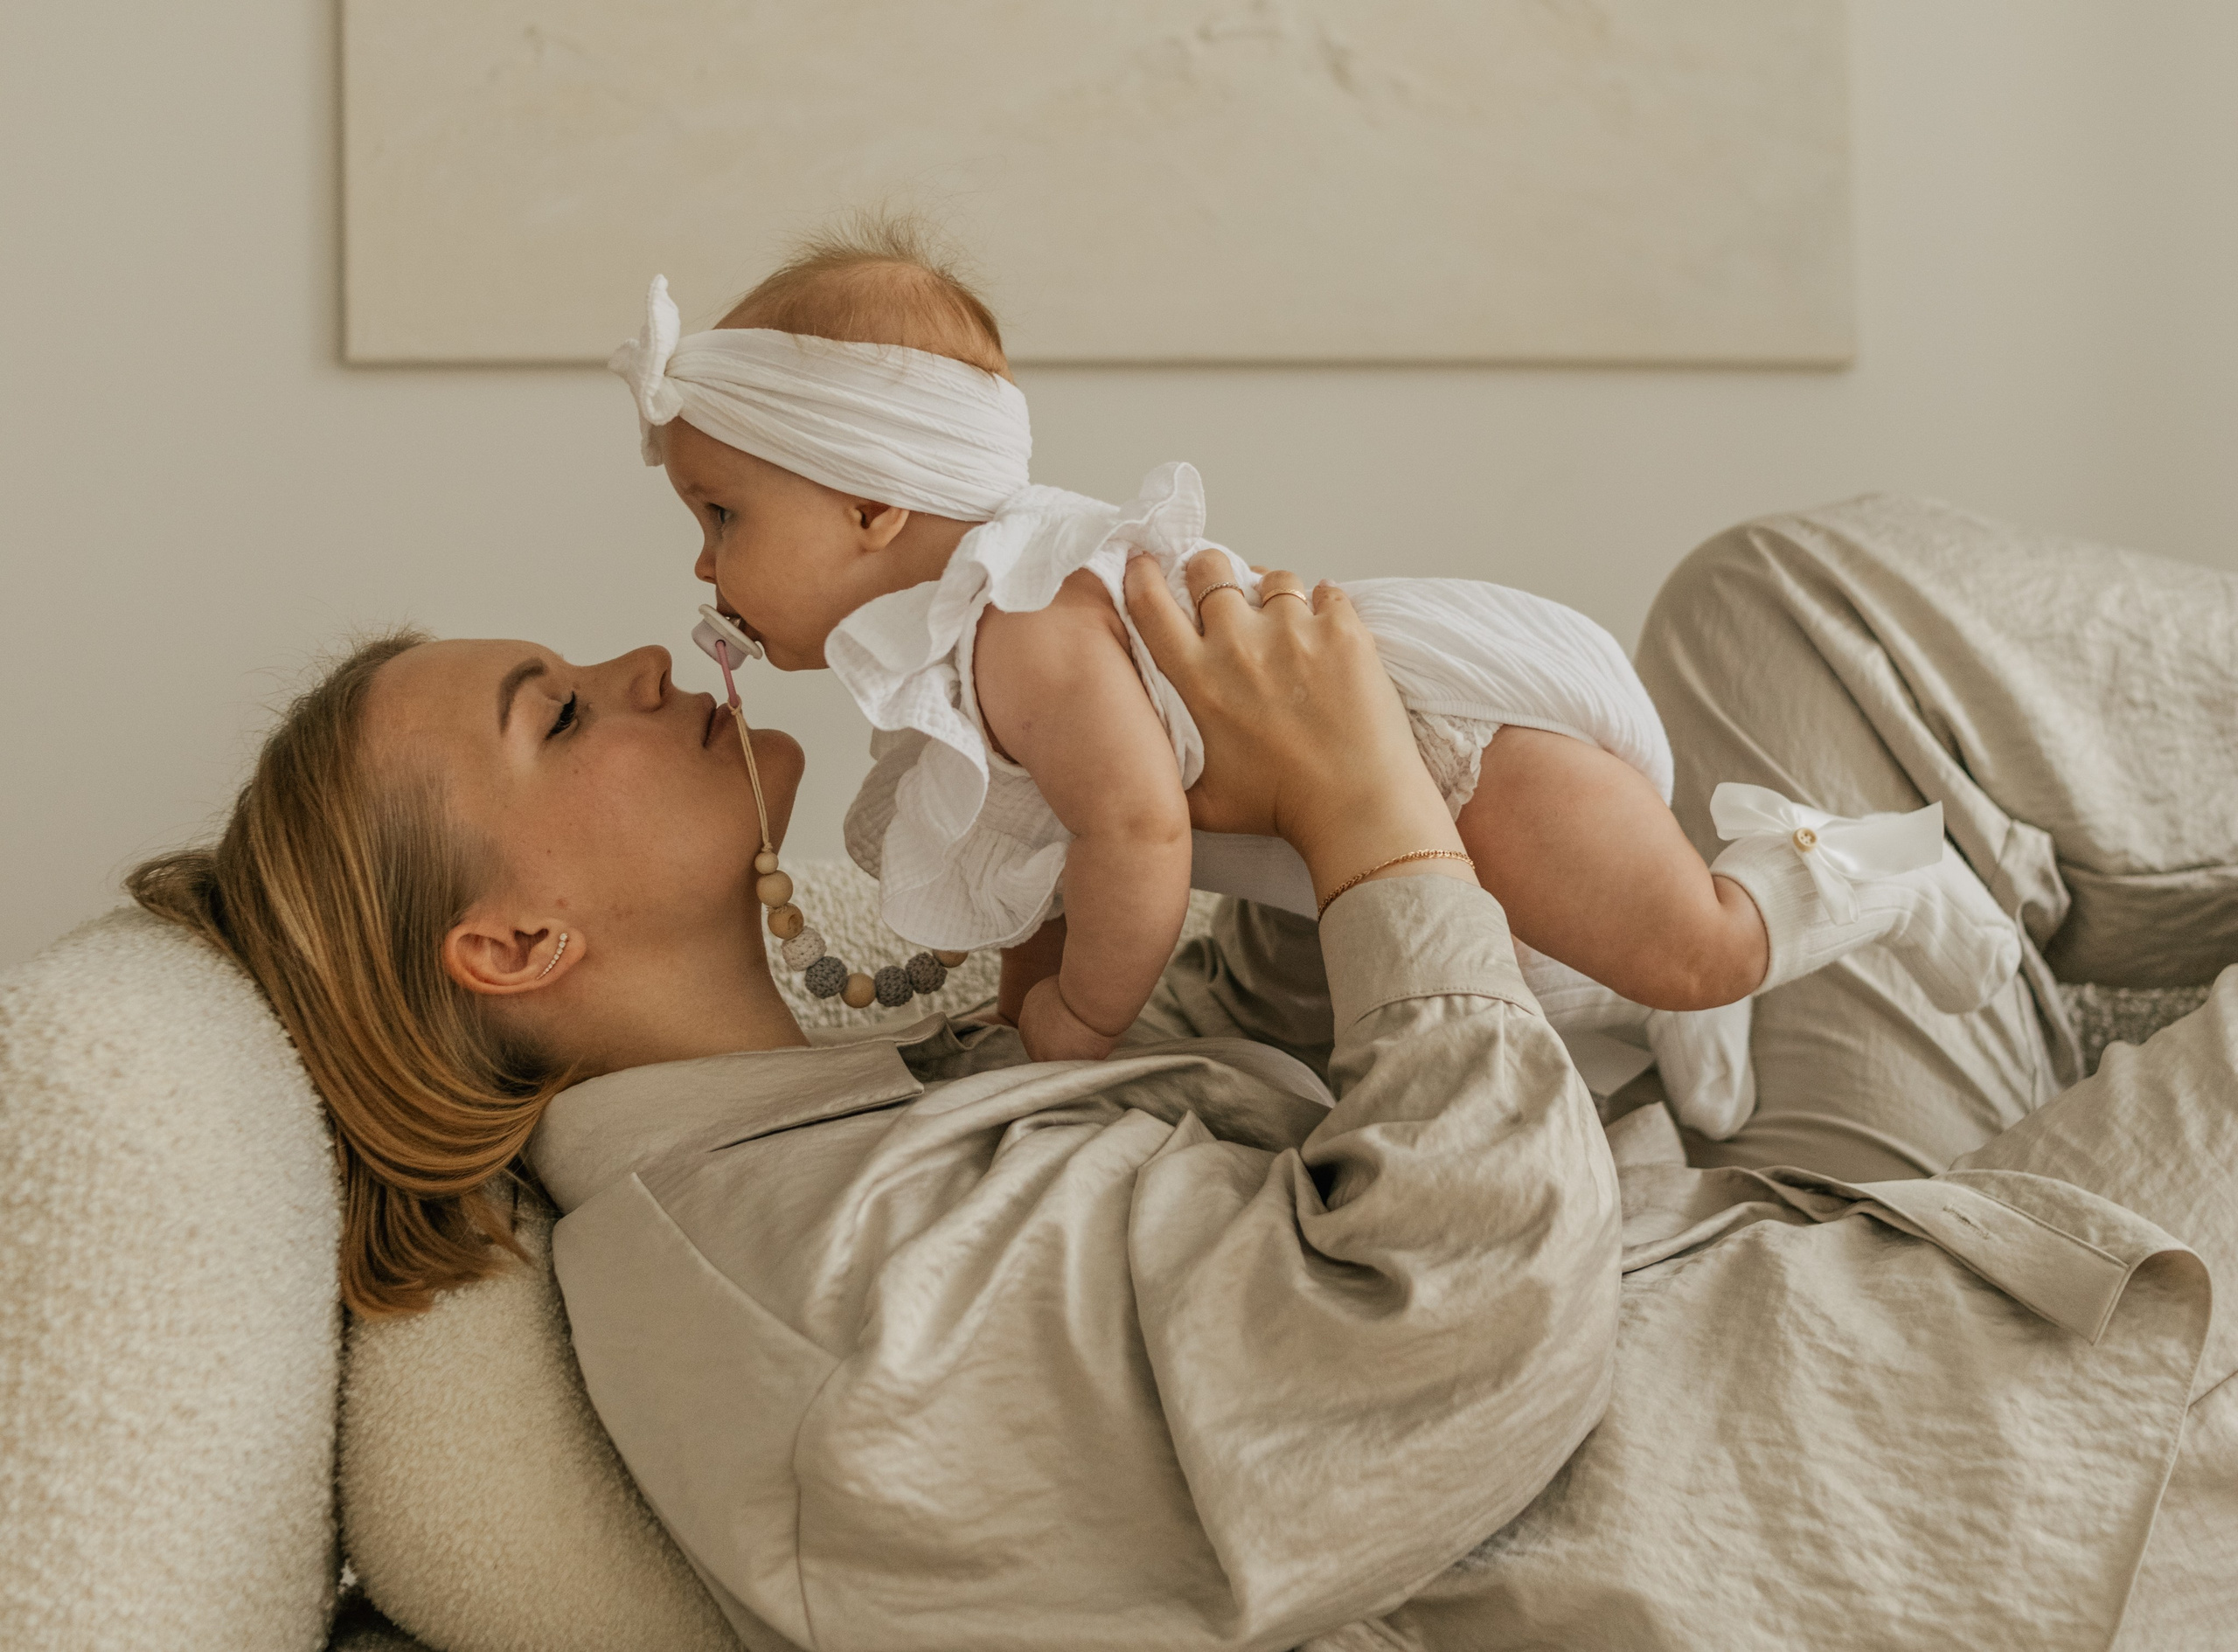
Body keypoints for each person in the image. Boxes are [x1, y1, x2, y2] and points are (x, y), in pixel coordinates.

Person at [128, 508, 2234, 1648]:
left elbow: (1259, 1120)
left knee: (1780, 609)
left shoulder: (857, 1081)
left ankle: (2015, 931)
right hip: (1870, 1426)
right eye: (555, 718)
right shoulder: (822, 1298)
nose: (645, 667)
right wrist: (1369, 838)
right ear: (511, 950)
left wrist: (1237, 814)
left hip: (1764, 1229)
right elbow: (1439, 1347)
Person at [608, 220, 2019, 1144]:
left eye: (723, 515)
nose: (703, 564)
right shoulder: (957, 654)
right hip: (1359, 811)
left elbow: (1138, 833)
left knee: (1684, 938)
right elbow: (1040, 858)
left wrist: (1085, 1022)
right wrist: (1018, 1007)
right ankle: (1683, 978)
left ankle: (1889, 869)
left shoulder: (1018, 627)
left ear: (870, 508)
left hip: (1451, 746)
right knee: (1549, 968)